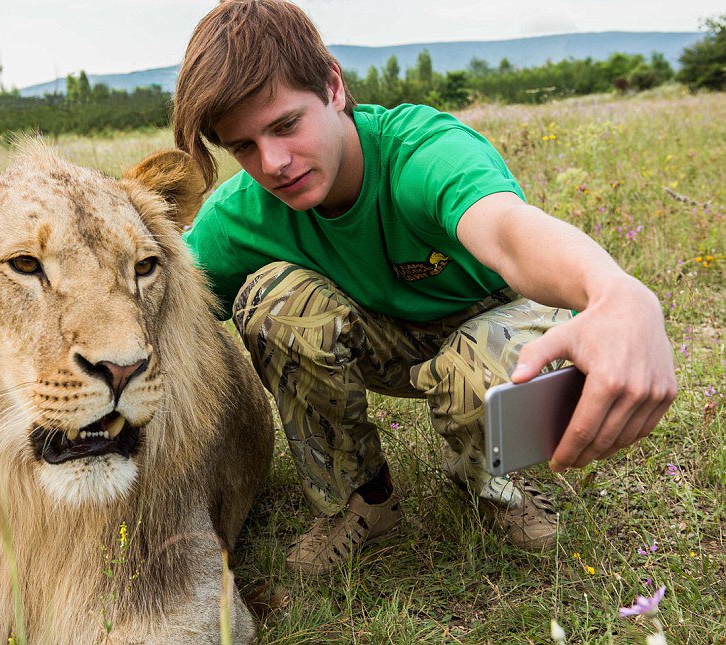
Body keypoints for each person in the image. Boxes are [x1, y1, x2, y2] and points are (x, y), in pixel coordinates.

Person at [173, 0, 677, 574]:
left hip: (494, 324)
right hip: (383, 342)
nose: (275, 162)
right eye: (243, 147)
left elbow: (510, 234)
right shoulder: (242, 215)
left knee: (473, 376)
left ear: (333, 87)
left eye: (286, 124)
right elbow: (157, 300)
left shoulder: (421, 150)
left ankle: (491, 486)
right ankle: (359, 500)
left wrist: (615, 291)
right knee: (269, 301)